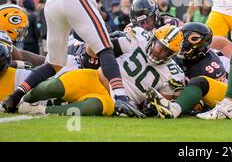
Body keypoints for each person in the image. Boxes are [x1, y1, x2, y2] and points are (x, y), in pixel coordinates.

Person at [2, 0, 143, 118]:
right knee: (106, 48)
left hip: (54, 1)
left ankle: (15, 97)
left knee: (53, 63)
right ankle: (121, 98)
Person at [18, 25, 185, 116]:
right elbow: (104, 49)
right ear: (153, 38)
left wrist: (152, 107)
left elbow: (164, 103)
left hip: (115, 102)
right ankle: (22, 98)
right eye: (158, 45)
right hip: (97, 77)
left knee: (92, 108)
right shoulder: (138, 38)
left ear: (173, 54)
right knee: (53, 87)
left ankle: (41, 111)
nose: (158, 51)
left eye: (165, 51)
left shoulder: (174, 73)